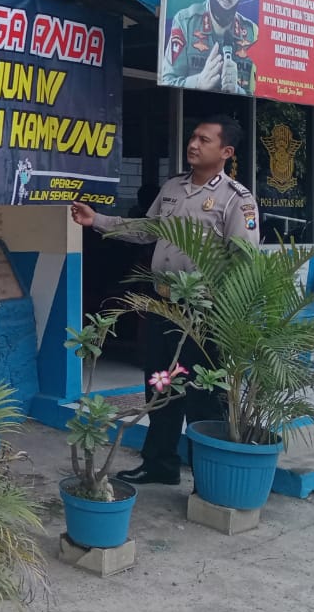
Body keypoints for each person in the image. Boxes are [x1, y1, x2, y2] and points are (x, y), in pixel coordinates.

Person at [69, 115, 261, 485]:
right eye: (193, 137)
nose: (193, 144)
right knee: (159, 387)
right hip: (163, 306)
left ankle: (208, 476)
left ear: (226, 152)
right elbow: (147, 230)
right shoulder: (173, 187)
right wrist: (98, 221)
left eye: (204, 140)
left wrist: (229, 315)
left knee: (203, 394)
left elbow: (244, 260)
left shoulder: (237, 199)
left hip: (204, 313)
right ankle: (160, 463)